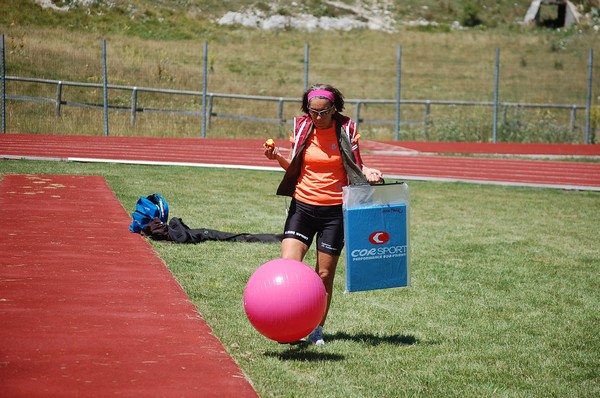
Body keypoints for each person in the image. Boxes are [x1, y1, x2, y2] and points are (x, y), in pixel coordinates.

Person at [264, 83, 382, 345]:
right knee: (290, 266)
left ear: (334, 109)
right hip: (302, 207)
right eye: (312, 112)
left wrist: (371, 175)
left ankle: (316, 328)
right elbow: (295, 166)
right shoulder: (303, 127)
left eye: (323, 112)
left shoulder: (347, 130)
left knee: (324, 276)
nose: (317, 118)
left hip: (334, 213)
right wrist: (277, 158)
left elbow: (357, 168)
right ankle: (289, 324)